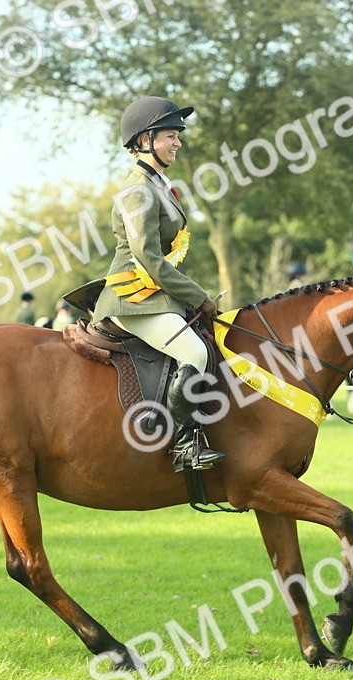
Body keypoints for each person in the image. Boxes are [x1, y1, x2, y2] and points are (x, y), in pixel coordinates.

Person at [89, 96, 223, 473]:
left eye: (178, 135)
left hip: (155, 295)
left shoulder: (158, 184)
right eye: (170, 136)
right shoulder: (138, 190)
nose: (178, 142)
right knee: (194, 353)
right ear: (145, 140)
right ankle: (185, 446)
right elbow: (147, 257)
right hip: (132, 297)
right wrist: (198, 296)